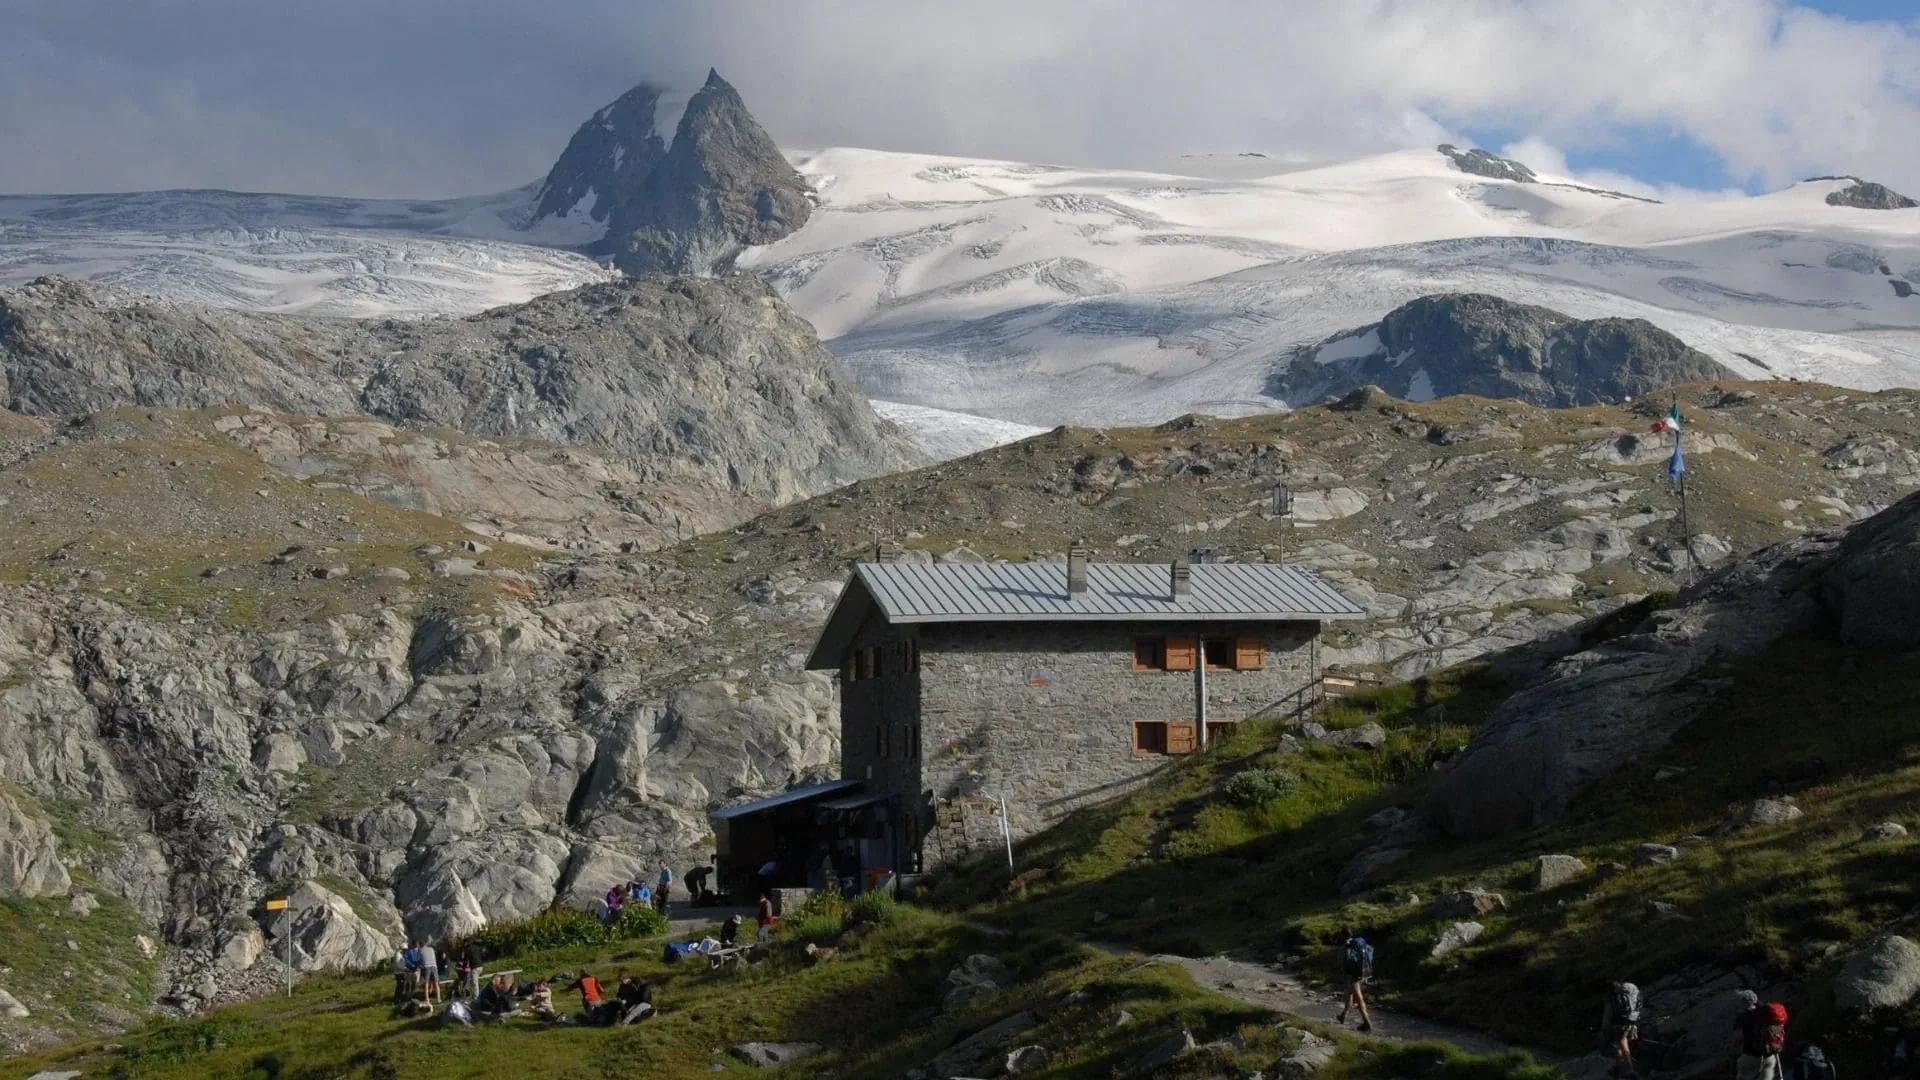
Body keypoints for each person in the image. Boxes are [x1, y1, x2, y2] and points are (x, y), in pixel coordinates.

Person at [1734, 990, 1789, 1080]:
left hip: (1751, 1056)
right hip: (1770, 1055)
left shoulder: (1743, 1016)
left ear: (1743, 1002)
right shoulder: (1766, 1012)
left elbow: (1738, 1037)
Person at [1334, 928, 1375, 1033]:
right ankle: (1343, 1016)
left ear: (1342, 936)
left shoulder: (1345, 947)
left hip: (1352, 975)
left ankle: (1367, 1023)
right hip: (1362, 972)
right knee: (1349, 993)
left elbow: (1341, 964)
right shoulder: (1359, 943)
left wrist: (1341, 976)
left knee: (1358, 997)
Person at [1602, 979, 1643, 1079]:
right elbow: (1639, 1001)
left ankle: (1630, 1071)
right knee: (1625, 1043)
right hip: (1633, 1019)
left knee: (1621, 1046)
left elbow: (1608, 1014)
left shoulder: (1612, 996)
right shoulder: (1629, 987)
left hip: (1619, 1023)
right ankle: (1619, 1066)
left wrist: (1604, 1028)